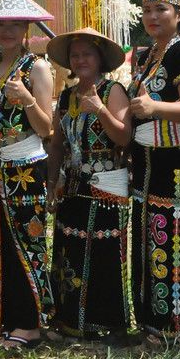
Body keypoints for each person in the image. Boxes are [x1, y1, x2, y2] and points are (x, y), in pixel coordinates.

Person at [0, 0, 55, 349]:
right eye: (0, 24)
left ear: (26, 29)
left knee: (27, 242)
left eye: (15, 24)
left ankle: (30, 324)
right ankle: (6, 320)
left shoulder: (38, 68)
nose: (7, 30)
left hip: (25, 168)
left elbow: (46, 128)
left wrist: (27, 99)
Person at [128, 0, 180, 344]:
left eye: (161, 9)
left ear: (179, 13)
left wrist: (153, 107)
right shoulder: (148, 54)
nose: (153, 16)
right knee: (149, 239)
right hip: (149, 163)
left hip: (178, 165)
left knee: (175, 240)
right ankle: (152, 323)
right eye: (147, 10)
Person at [46, 28, 132, 339]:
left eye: (87, 54)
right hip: (72, 187)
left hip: (106, 187)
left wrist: (100, 110)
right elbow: (57, 145)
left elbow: (124, 137)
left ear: (100, 59)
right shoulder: (67, 96)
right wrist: (51, 184)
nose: (80, 60)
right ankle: (70, 321)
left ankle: (106, 325)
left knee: (104, 253)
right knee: (69, 250)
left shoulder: (113, 91)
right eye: (75, 55)